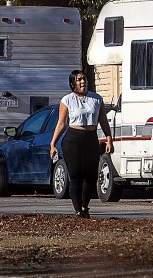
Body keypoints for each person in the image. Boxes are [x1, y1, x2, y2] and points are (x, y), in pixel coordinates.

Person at [48, 70, 113, 219]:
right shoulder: (67, 100)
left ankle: (85, 206)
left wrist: (109, 138)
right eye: (79, 80)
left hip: (90, 139)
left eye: (84, 78)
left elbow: (103, 121)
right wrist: (53, 143)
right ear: (73, 84)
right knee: (76, 176)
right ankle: (78, 210)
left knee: (90, 176)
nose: (82, 82)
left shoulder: (96, 99)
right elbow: (62, 123)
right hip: (73, 140)